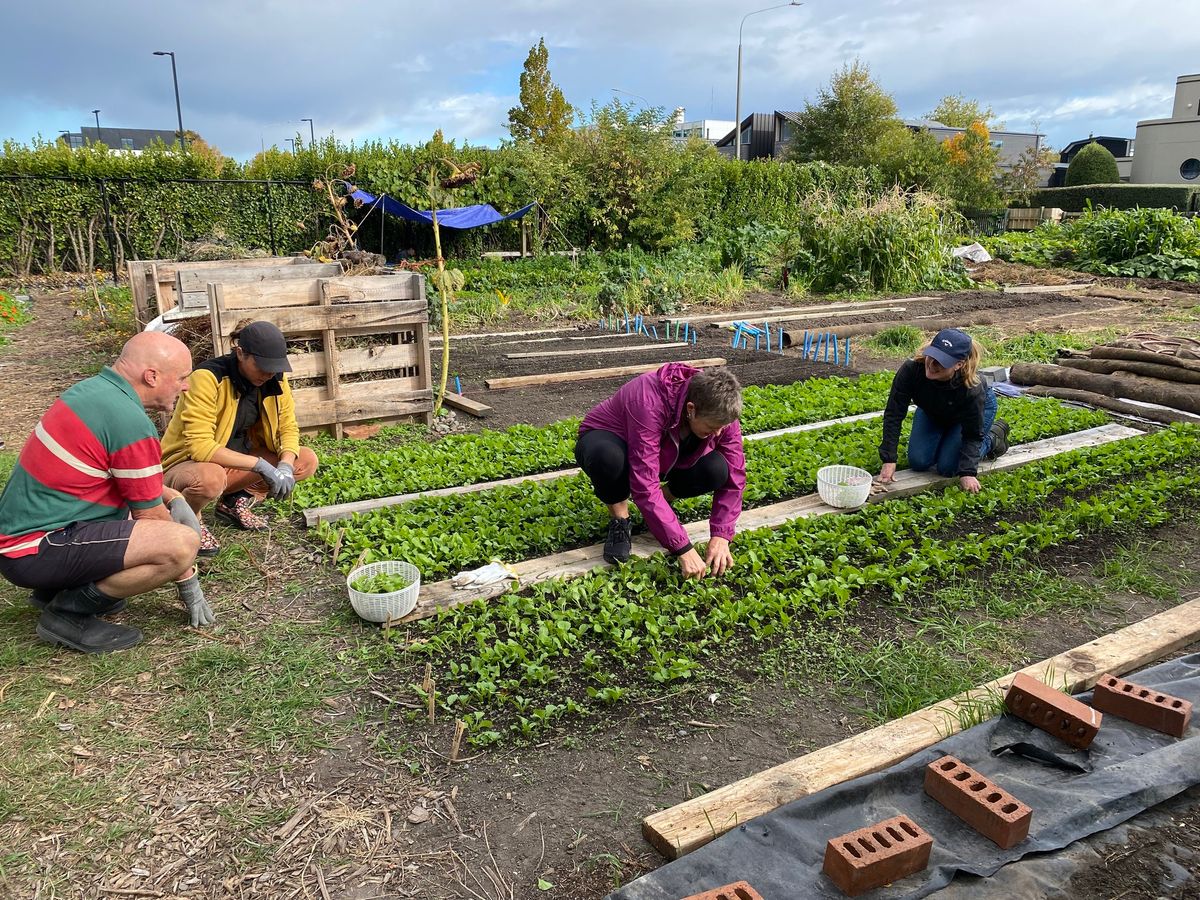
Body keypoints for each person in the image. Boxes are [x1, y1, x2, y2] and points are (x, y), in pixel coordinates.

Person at [0, 332, 212, 653]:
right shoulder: (130, 422)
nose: (186, 386)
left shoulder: (95, 392)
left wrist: (176, 497)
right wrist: (188, 581)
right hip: (34, 549)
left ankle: (57, 589)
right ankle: (67, 613)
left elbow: (132, 482)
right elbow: (152, 518)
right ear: (151, 376)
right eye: (182, 377)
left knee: (139, 522)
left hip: (25, 539)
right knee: (181, 544)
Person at [576, 364, 746, 579]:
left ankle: (659, 509)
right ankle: (620, 520)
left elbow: (735, 474)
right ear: (691, 409)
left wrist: (722, 534)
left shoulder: (721, 409)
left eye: (723, 427)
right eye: (713, 427)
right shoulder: (648, 400)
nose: (719, 432)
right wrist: (682, 548)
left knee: (716, 469)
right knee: (607, 457)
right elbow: (644, 483)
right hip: (611, 439)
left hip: (665, 449)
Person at [160, 321, 318, 553]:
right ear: (241, 353)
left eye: (274, 366)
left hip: (234, 462)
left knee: (304, 460)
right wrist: (261, 465)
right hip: (185, 468)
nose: (269, 373)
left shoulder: (275, 379)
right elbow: (200, 447)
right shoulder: (207, 378)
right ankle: (190, 519)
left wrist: (284, 465)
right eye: (262, 366)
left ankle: (233, 503)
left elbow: (288, 427)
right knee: (210, 477)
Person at [877, 328, 1010, 495]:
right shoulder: (911, 370)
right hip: (933, 409)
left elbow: (972, 434)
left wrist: (968, 472)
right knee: (919, 462)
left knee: (949, 467)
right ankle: (948, 438)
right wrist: (889, 458)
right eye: (931, 356)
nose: (931, 365)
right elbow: (894, 414)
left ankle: (993, 438)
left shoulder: (972, 388)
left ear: (958, 364)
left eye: (941, 362)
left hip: (966, 417)